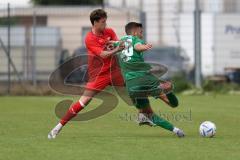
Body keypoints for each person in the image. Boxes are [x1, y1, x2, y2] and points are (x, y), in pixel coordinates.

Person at [48, 9, 125, 139]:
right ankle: (58, 127)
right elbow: (103, 54)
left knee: (134, 86)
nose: (105, 24)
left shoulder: (109, 32)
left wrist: (122, 43)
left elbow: (116, 42)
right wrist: (117, 48)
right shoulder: (90, 38)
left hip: (114, 70)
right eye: (103, 22)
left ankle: (145, 115)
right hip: (99, 75)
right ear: (95, 22)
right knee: (84, 102)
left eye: (106, 21)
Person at [117, 22, 185, 137]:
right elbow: (137, 46)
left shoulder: (120, 42)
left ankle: (175, 130)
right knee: (172, 103)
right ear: (134, 32)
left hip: (131, 85)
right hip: (144, 78)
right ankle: (167, 92)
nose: (142, 34)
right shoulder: (135, 39)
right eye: (141, 32)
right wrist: (144, 47)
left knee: (148, 113)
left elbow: (111, 46)